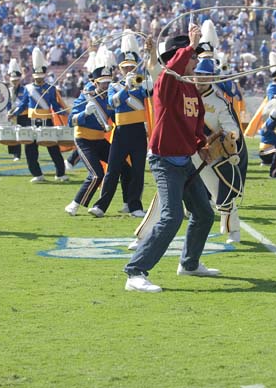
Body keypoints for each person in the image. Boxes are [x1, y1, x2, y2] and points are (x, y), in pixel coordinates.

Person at [123, 25, 219, 293]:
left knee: (203, 213)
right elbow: (170, 71)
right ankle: (135, 272)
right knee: (172, 217)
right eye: (192, 56)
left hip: (184, 160)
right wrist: (190, 44)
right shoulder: (165, 83)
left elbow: (195, 126)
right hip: (164, 161)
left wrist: (202, 145)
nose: (197, 59)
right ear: (178, 57)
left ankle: (189, 264)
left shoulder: (191, 90)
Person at [88, 34, 147, 218]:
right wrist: (126, 88)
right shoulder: (114, 86)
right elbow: (113, 103)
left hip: (138, 130)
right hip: (121, 132)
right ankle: (101, 206)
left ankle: (135, 205)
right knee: (113, 169)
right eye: (125, 67)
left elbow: (152, 93)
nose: (128, 69)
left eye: (131, 67)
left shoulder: (142, 83)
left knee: (138, 170)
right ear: (120, 69)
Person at [190, 57, 246, 243]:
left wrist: (224, 138)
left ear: (212, 78)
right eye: (198, 75)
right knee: (165, 193)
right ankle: (144, 235)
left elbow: (233, 129)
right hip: (183, 151)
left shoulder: (219, 102)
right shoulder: (185, 94)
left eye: (206, 76)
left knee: (221, 194)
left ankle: (233, 230)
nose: (201, 79)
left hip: (207, 155)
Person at [65, 49, 116, 217]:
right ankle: (74, 203)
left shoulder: (109, 97)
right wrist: (85, 114)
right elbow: (70, 121)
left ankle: (128, 203)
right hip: (84, 140)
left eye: (109, 83)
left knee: (121, 166)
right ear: (96, 83)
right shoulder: (85, 97)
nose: (107, 86)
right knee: (96, 174)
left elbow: (115, 116)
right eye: (103, 83)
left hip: (100, 140)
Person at [10, 47, 68, 183]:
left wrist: (64, 111)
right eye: (37, 78)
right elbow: (23, 104)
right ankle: (37, 174)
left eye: (41, 78)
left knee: (53, 148)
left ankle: (60, 174)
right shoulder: (28, 89)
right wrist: (14, 113)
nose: (39, 80)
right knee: (30, 149)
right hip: (31, 121)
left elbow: (55, 105)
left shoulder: (51, 88)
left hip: (47, 120)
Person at [5, 59, 28, 162]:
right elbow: (8, 103)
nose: (14, 82)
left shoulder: (24, 90)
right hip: (13, 116)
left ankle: (29, 153)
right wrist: (9, 112)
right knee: (14, 135)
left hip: (23, 115)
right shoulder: (8, 91)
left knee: (25, 134)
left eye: (16, 80)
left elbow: (24, 103)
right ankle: (16, 154)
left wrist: (16, 112)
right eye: (13, 80)